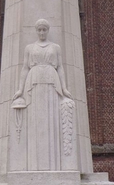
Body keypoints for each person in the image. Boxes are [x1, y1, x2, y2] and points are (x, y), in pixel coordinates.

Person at [12, 19, 74, 171]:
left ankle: (53, 161)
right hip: (34, 82)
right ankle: (34, 161)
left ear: (47, 30)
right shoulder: (29, 48)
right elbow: (25, 68)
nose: (41, 32)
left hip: (51, 82)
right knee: (35, 118)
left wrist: (64, 88)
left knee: (51, 117)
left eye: (44, 30)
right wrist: (20, 89)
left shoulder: (55, 47)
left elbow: (60, 68)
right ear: (36, 30)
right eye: (39, 30)